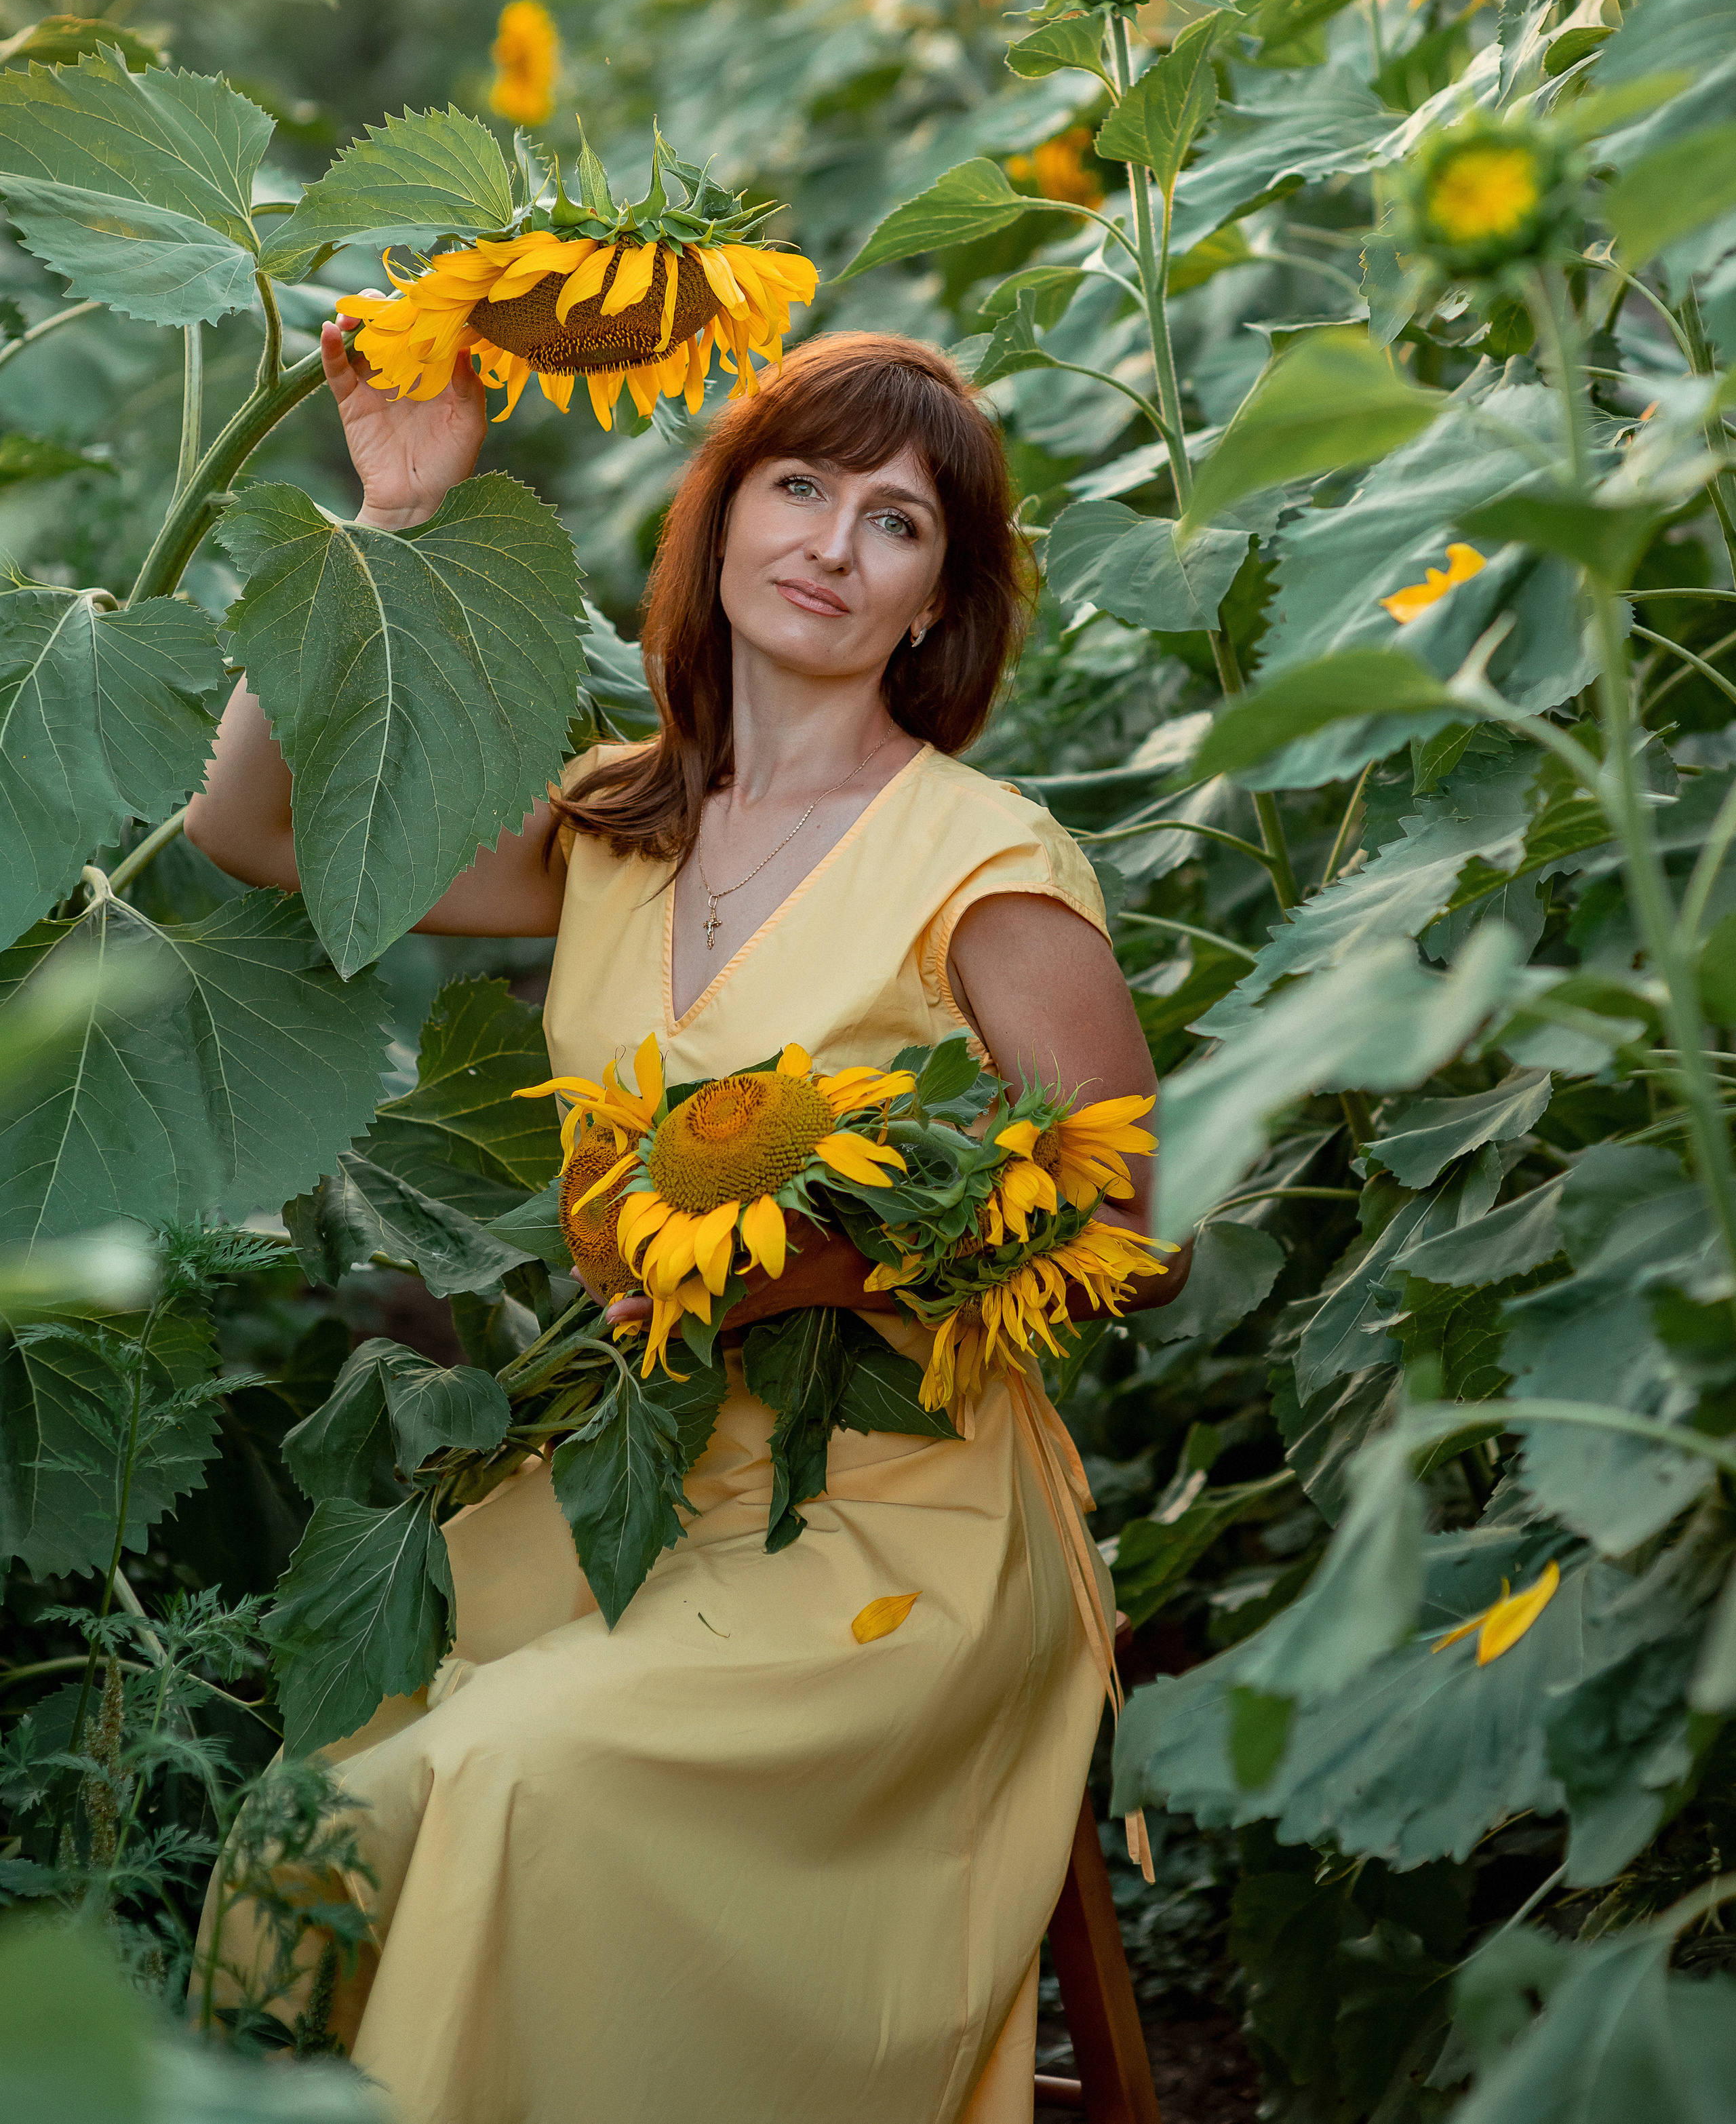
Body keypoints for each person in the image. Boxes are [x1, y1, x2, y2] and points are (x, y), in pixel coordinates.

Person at [185, 316, 1180, 2124]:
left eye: (896, 522)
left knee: (513, 1774)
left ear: (935, 607)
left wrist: (820, 1262)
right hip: (630, 1482)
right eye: (800, 486)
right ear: (719, 520)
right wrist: (391, 518)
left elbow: (1129, 1220)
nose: (832, 543)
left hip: (898, 1527)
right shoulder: (621, 823)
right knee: (313, 1814)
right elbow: (256, 828)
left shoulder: (984, 860)